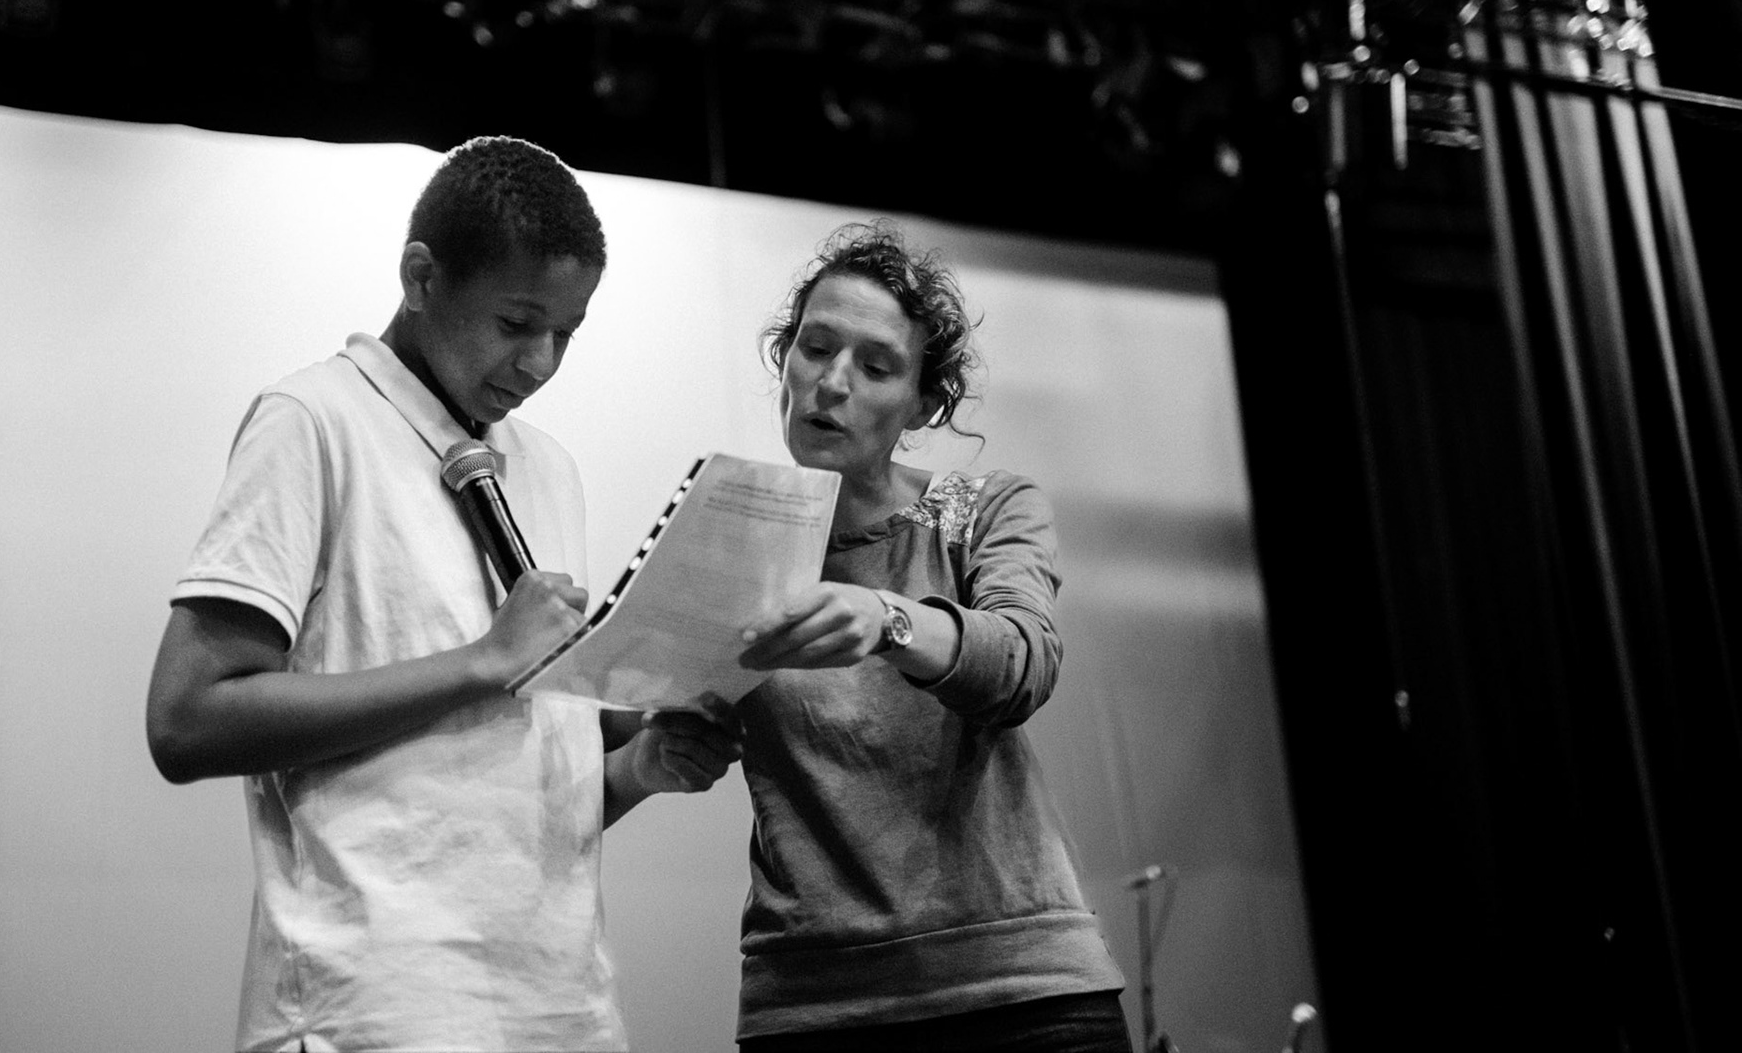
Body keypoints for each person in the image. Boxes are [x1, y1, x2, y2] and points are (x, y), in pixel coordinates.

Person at [145, 136, 739, 1053]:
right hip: (375, 1008)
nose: (540, 363)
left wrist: (638, 768)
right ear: (421, 276)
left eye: (568, 333)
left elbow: (507, 798)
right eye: (516, 322)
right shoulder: (313, 421)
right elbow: (186, 721)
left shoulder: (548, 468)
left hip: (565, 1007)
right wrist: (479, 662)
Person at [732, 221, 1130, 1052]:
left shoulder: (983, 510)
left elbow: (1021, 663)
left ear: (921, 402)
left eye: (876, 367)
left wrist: (890, 618)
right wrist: (659, 746)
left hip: (1019, 987)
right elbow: (648, 716)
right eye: (815, 348)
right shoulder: (736, 545)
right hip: (815, 1002)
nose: (831, 383)